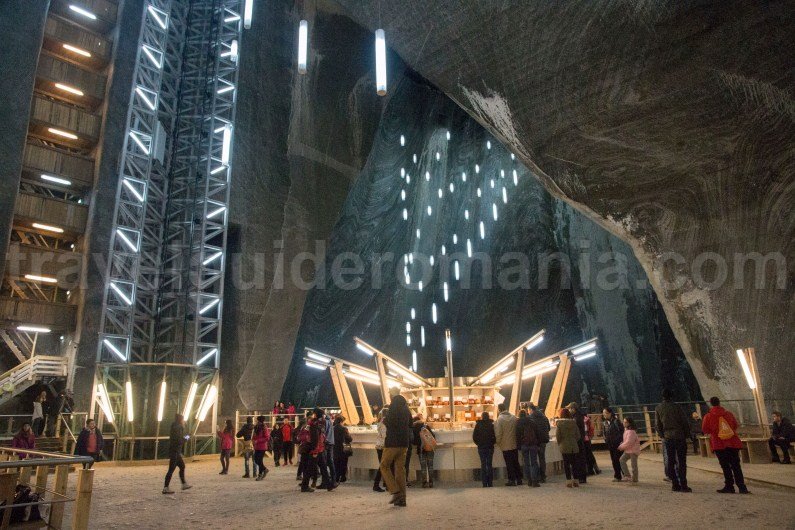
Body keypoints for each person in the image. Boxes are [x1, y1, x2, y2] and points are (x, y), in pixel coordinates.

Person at [702, 397, 749, 494]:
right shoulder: (728, 414)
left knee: (725, 466)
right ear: (719, 403)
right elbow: (735, 425)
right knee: (736, 465)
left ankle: (729, 486)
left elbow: (705, 429)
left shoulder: (708, 416)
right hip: (732, 442)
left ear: (711, 404)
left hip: (719, 444)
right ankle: (742, 487)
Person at [655, 389, 691, 492]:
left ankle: (675, 484)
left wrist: (663, 435)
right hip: (679, 436)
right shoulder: (677, 407)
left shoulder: (658, 408)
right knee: (682, 461)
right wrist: (687, 435)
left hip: (668, 437)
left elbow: (657, 425)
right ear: (671, 396)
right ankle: (683, 485)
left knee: (670, 461)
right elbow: (684, 421)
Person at [380, 394, 412, 506]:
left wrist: (384, 420)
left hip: (392, 443)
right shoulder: (407, 411)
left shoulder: (393, 409)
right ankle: (402, 499)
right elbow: (410, 424)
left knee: (384, 466)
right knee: (400, 470)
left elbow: (389, 423)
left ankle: (395, 491)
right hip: (404, 443)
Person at [300, 408, 335, 492]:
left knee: (323, 468)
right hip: (316, 449)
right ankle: (304, 486)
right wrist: (315, 450)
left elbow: (320, 436)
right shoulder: (315, 424)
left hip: (319, 449)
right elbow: (316, 438)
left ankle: (329, 485)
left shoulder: (315, 423)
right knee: (310, 468)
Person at [162, 414, 191, 494]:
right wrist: (187, 438)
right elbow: (179, 441)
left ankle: (183, 484)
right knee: (171, 469)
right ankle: (166, 487)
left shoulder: (176, 427)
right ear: (180, 420)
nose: (184, 421)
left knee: (182, 466)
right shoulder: (178, 428)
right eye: (183, 419)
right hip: (175, 451)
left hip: (176, 451)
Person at [494, 403, 522, 486]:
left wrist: (498, 442)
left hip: (505, 445)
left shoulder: (500, 419)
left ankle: (511, 480)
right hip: (514, 444)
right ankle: (519, 479)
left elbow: (498, 433)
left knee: (509, 463)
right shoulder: (513, 417)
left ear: (499, 409)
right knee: (516, 462)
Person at [555, 408, 581, 488]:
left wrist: (560, 443)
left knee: (566, 464)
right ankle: (576, 481)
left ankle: (569, 481)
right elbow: (578, 436)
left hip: (564, 446)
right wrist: (573, 440)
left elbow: (558, 436)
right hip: (573, 446)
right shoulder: (574, 423)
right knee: (574, 464)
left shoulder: (559, 424)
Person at [516, 409, 541, 487]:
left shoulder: (518, 422)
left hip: (524, 445)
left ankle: (529, 480)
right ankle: (535, 481)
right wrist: (538, 444)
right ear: (526, 414)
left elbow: (517, 435)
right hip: (533, 444)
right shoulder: (532, 421)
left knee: (526, 463)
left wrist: (518, 446)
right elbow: (537, 433)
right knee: (534, 462)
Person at [473, 411, 496, 487]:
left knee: (483, 464)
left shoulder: (478, 425)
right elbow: (495, 436)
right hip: (490, 447)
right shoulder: (491, 425)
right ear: (488, 416)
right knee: (489, 464)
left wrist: (479, 443)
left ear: (482, 417)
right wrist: (492, 443)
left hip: (481, 447)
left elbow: (474, 437)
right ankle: (490, 483)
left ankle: (484, 483)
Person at [567, 402, 588, 483]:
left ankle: (581, 477)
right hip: (580, 440)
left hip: (578, 441)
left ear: (573, 409)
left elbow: (575, 429)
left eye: (569, 408)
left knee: (579, 459)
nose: (569, 410)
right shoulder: (578, 416)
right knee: (579, 459)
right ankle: (581, 477)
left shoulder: (577, 417)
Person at [528, 403, 550, 483]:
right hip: (543, 440)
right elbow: (549, 428)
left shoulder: (530, 418)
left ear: (530, 410)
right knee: (542, 458)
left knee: (534, 459)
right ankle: (543, 476)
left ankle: (536, 476)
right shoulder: (544, 417)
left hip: (535, 441)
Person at [413, 413, 436, 488]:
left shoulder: (414, 428)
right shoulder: (426, 426)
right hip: (430, 448)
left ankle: (424, 483)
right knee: (430, 466)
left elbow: (414, 441)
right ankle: (431, 483)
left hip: (421, 449)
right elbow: (433, 436)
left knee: (423, 467)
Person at [602, 407, 625, 482]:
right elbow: (604, 432)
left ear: (610, 413)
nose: (604, 415)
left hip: (617, 444)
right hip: (610, 445)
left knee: (618, 460)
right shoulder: (605, 422)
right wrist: (606, 440)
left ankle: (621, 475)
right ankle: (619, 475)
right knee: (614, 460)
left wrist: (620, 441)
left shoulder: (616, 421)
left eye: (605, 413)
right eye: (603, 413)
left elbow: (621, 432)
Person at [618, 417, 641, 483]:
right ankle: (627, 476)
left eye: (625, 422)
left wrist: (621, 446)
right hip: (628, 450)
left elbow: (629, 442)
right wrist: (622, 443)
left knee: (634, 465)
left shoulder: (631, 431)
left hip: (633, 451)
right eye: (624, 422)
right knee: (622, 460)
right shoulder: (627, 430)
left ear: (629, 423)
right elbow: (626, 441)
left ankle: (635, 479)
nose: (623, 423)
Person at [372, 407, 388, 492]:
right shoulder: (384, 423)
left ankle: (384, 484)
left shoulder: (380, 422)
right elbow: (385, 435)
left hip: (379, 446)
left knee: (384, 466)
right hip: (383, 446)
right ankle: (376, 484)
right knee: (383, 466)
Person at [333, 415, 353, 483]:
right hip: (343, 449)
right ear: (341, 421)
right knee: (343, 463)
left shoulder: (333, 428)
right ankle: (343, 477)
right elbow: (349, 439)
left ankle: (336, 477)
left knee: (336, 463)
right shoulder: (344, 429)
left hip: (335, 448)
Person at [252, 415, 271, 481]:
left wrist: (258, 441)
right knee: (256, 460)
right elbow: (254, 436)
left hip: (262, 446)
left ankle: (260, 474)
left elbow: (267, 437)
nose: (256, 421)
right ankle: (265, 470)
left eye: (256, 420)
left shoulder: (264, 427)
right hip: (256, 446)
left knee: (259, 460)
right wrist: (253, 440)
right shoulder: (256, 427)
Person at [321, 412, 336, 488]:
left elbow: (323, 433)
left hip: (326, 443)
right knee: (330, 462)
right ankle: (332, 481)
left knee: (325, 462)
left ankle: (330, 482)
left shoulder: (325, 421)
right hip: (330, 442)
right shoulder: (329, 420)